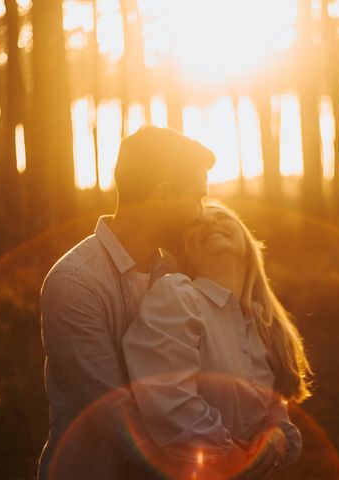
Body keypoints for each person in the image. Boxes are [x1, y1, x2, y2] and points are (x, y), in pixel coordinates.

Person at [38, 126, 213, 480]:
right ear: (163, 195)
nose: (201, 213)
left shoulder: (177, 268)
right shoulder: (75, 283)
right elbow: (116, 414)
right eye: (197, 197)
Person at [123, 202, 312, 479]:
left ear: (247, 244)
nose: (211, 224)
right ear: (185, 254)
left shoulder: (263, 323)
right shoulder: (178, 296)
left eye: (222, 217)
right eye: (198, 225)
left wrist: (276, 436)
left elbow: (273, 408)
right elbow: (169, 401)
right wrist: (232, 459)